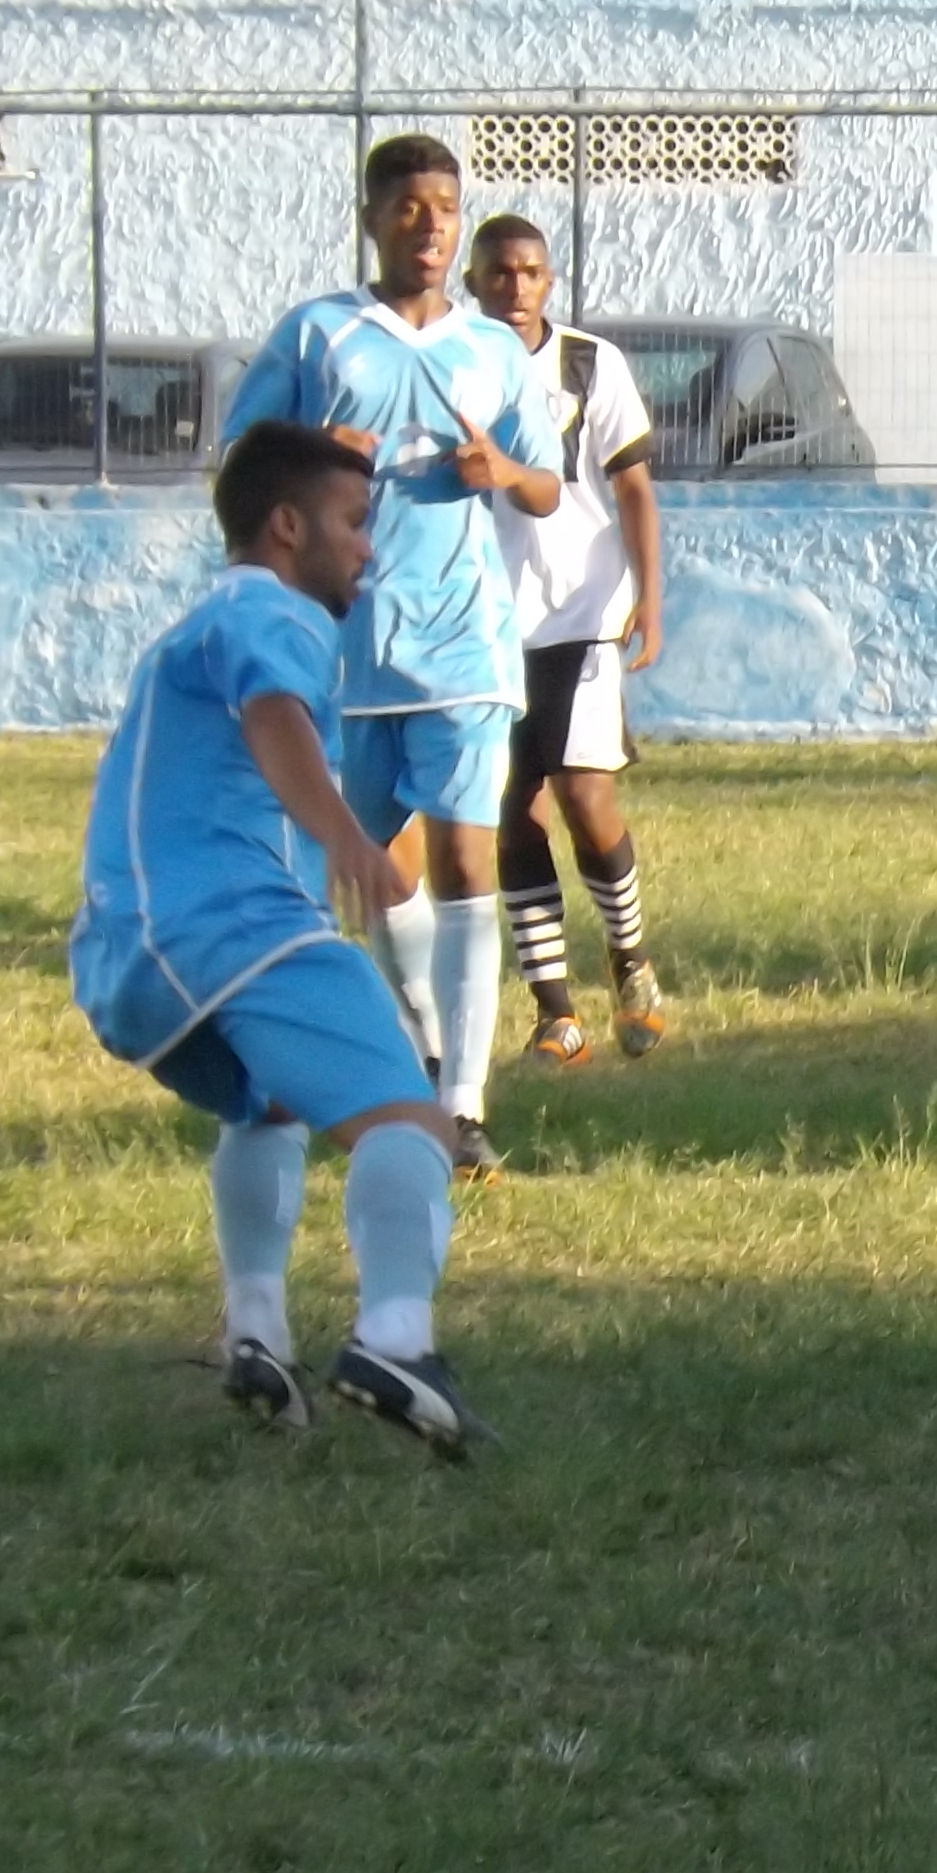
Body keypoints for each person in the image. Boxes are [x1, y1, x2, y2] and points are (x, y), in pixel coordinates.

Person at [68, 420, 490, 1456]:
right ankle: (396, 1337)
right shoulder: (277, 612)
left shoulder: (198, 624)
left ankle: (255, 1330)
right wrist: (348, 836)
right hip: (229, 928)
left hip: (130, 963)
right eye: (354, 523)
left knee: (269, 1107)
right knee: (414, 1124)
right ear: (286, 524)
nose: (367, 549)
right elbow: (273, 716)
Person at [221, 136, 565, 1178]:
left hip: (464, 641)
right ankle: (403, 1063)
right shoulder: (321, 338)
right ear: (373, 218)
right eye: (409, 208)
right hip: (344, 650)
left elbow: (547, 487)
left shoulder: (493, 351)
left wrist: (501, 468)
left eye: (446, 209)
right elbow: (242, 467)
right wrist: (327, 459)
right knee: (373, 875)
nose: (429, 226)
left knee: (469, 857)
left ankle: (461, 1104)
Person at [465, 212, 672, 1067]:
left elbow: (632, 489)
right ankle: (554, 1008)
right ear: (474, 283)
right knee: (512, 809)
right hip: (481, 621)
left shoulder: (590, 362)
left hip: (584, 611)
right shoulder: (453, 364)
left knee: (585, 794)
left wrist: (649, 598)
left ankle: (629, 959)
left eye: (530, 273)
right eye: (500, 273)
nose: (516, 288)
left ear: (550, 282)